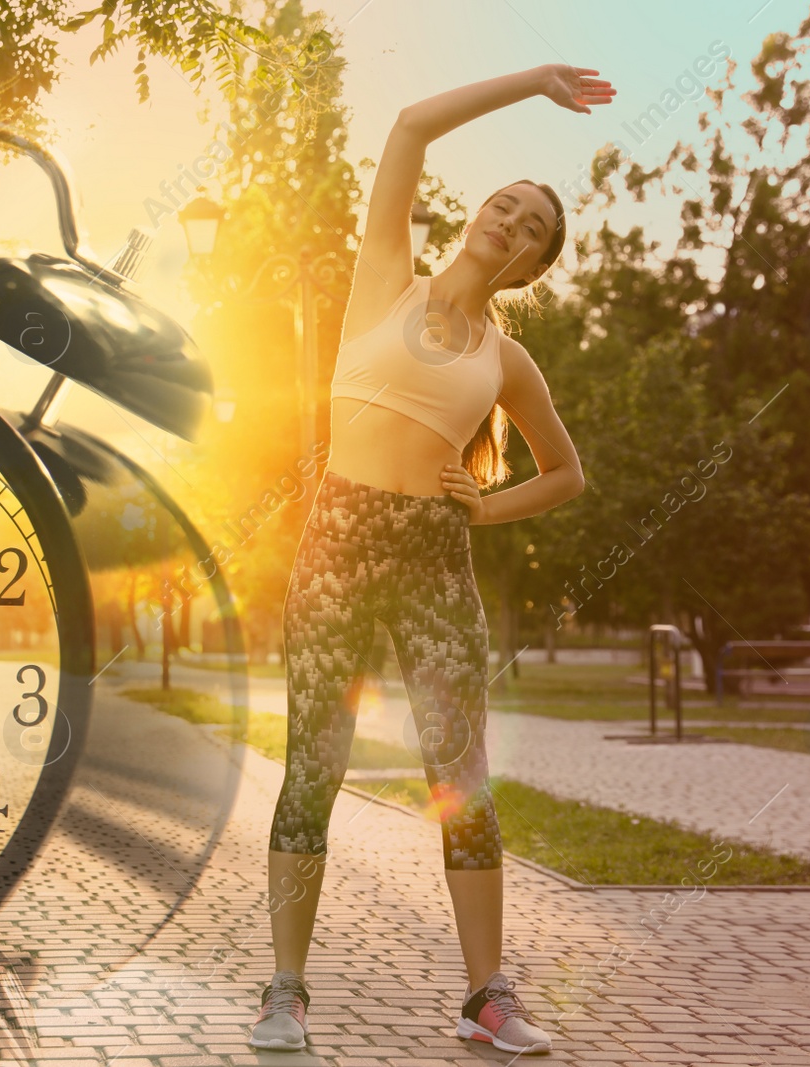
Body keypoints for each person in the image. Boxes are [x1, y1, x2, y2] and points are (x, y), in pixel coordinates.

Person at [249, 63, 613, 1054]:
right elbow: (408, 127)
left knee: (463, 777)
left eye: (530, 225)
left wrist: (486, 509)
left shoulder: (505, 359)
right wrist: (535, 82)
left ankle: (485, 995)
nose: (510, 220)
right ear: (477, 214)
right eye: (506, 202)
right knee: (310, 769)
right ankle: (285, 989)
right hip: (334, 541)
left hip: (433, 561)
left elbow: (567, 472)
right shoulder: (383, 280)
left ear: (531, 266)